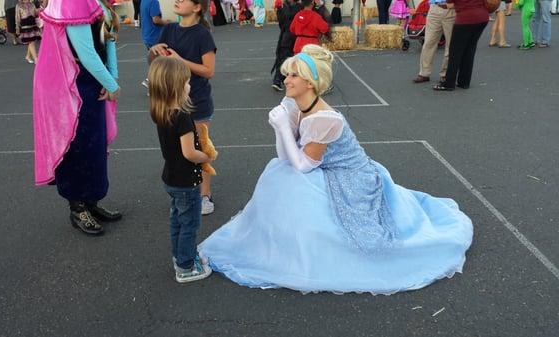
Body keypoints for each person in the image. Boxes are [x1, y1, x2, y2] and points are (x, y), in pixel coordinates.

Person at [198, 44, 473, 294]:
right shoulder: (293, 104)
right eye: (287, 74)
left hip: (351, 177)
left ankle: (309, 252)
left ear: (310, 82)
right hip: (320, 169)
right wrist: (280, 130)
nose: (286, 80)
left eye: (293, 75)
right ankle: (283, 245)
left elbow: (304, 166)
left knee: (313, 200)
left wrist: (282, 127)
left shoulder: (325, 119)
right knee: (278, 174)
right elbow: (285, 157)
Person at [33, 0, 122, 235]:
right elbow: (85, 51)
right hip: (73, 83)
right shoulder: (72, 2)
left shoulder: (99, 3)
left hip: (93, 80)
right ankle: (77, 206)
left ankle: (90, 201)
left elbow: (107, 41)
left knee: (95, 146)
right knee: (76, 145)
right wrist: (110, 83)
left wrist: (111, 79)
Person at [149, 0, 217, 215]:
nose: (177, 1)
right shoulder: (168, 29)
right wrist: (154, 50)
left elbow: (208, 71)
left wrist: (180, 60)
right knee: (176, 150)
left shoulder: (202, 35)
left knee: (199, 148)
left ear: (197, 7)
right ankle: (182, 191)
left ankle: (204, 195)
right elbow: (156, 62)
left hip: (196, 101)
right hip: (172, 102)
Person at [149, 57, 214, 283]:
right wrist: (206, 156)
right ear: (175, 86)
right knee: (190, 223)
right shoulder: (183, 118)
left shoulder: (161, 111)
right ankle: (186, 266)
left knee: (177, 219)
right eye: (186, 83)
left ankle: (180, 256)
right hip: (186, 181)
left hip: (171, 178)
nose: (189, 86)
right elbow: (189, 153)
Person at [432, 0, 488, 91]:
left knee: (455, 52)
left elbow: (449, 4)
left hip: (465, 19)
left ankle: (449, 83)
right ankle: (464, 82)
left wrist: (441, 5)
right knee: (470, 50)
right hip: (482, 17)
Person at [413, 0, 455, 84]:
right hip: (435, 7)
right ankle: (424, 73)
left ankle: (445, 74)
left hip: (451, 8)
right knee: (428, 42)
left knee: (451, 45)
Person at [272, 0, 302, 91]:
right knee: (288, 58)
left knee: (284, 58)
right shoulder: (298, 7)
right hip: (293, 36)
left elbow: (281, 24)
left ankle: (279, 79)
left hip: (286, 36)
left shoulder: (283, 8)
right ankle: (279, 79)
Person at [140, 0, 169, 88]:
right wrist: (167, 23)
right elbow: (156, 20)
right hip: (154, 37)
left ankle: (154, 84)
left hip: (147, 35)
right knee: (162, 62)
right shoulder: (153, 1)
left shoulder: (144, 1)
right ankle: (150, 82)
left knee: (156, 62)